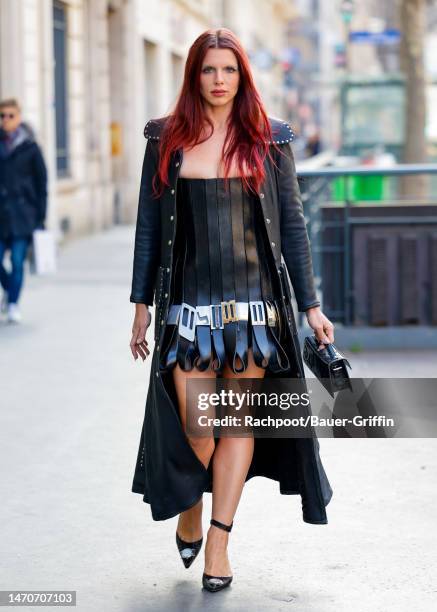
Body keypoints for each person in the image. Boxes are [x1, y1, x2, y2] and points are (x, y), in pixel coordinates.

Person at [129, 28, 334, 593]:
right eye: (208, 71)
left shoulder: (269, 140)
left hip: (254, 307)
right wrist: (140, 304)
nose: (218, 81)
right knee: (200, 426)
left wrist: (311, 306)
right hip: (188, 307)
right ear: (193, 76)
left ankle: (219, 540)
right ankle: (191, 507)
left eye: (229, 71)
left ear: (243, 77)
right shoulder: (166, 138)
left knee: (236, 421)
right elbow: (150, 228)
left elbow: (294, 229)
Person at [0, 97, 47, 323]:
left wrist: (40, 217)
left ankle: (12, 304)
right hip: (1, 216)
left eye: (10, 115)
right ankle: (10, 290)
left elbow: (42, 184)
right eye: (2, 116)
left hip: (23, 216)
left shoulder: (30, 147)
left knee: (18, 262)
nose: (6, 120)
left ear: (18, 117)